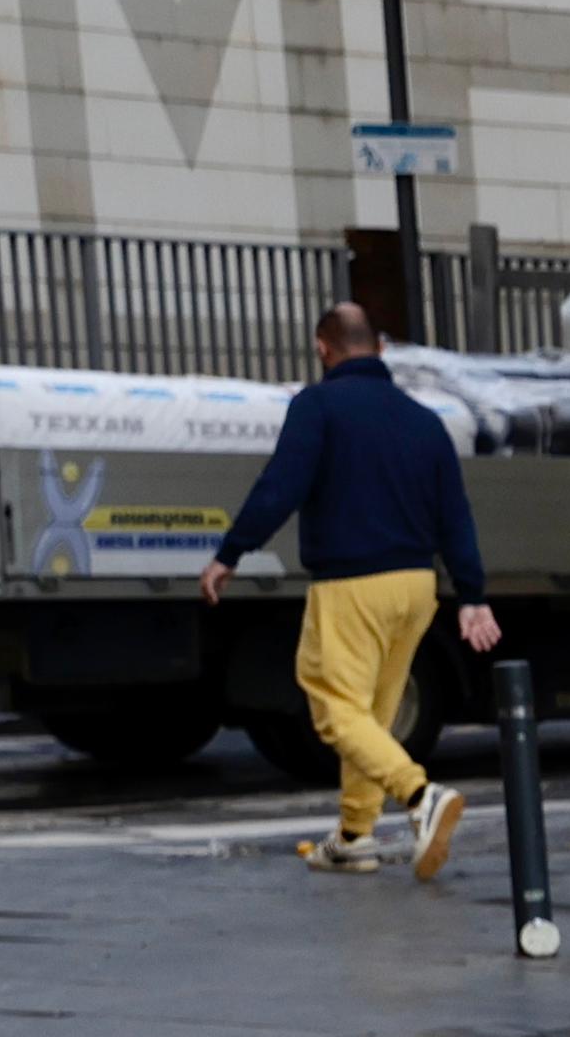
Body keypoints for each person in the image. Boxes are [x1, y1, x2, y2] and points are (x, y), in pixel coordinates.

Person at [197, 303, 499, 879]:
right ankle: (355, 834)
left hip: (351, 584)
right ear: (381, 349)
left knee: (336, 709)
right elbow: (455, 515)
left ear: (321, 348)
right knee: (372, 719)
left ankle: (420, 796)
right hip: (416, 587)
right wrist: (473, 594)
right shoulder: (423, 420)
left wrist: (230, 552)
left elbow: (280, 486)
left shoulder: (317, 407)